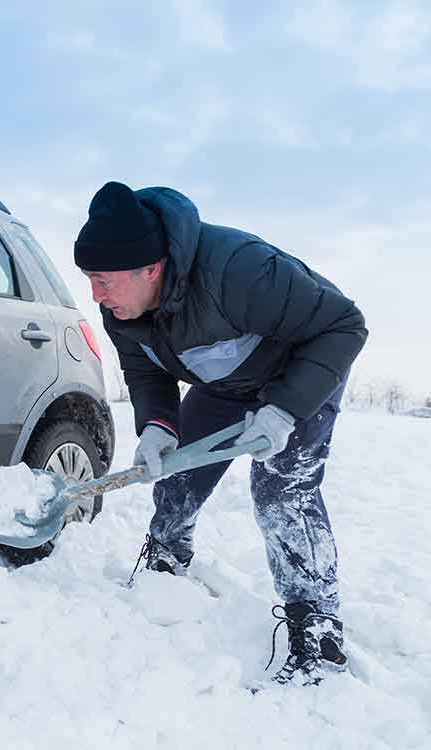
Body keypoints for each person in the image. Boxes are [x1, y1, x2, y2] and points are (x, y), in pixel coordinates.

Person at [74, 181, 367, 686]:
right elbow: (146, 372)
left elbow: (344, 325)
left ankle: (316, 624)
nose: (95, 295)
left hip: (301, 372)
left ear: (152, 268)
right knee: (176, 473)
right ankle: (166, 559)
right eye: (89, 280)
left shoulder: (238, 270)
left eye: (104, 280)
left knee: (281, 490)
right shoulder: (120, 309)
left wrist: (284, 409)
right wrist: (158, 426)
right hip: (225, 384)